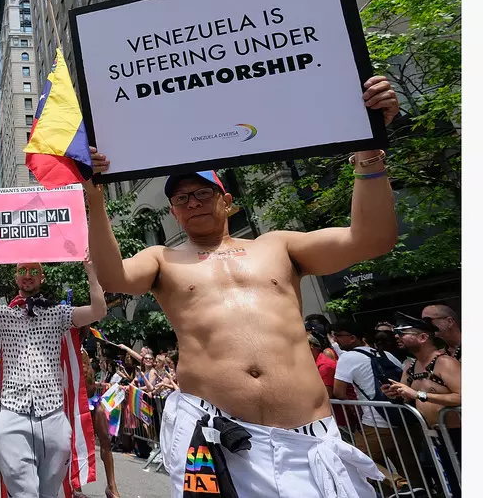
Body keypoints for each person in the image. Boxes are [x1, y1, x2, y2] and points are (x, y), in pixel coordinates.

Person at [87, 77, 399, 497]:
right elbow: (113, 278)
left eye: (201, 192)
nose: (192, 202)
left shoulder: (279, 244)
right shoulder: (162, 258)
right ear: (175, 214)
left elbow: (372, 239)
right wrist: (94, 197)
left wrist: (369, 151)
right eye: (181, 200)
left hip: (309, 443)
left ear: (227, 200)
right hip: (218, 444)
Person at [0, 255, 107, 498]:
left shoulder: (59, 313)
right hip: (13, 413)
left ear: (42, 277)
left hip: (53, 414)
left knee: (49, 494)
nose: (27, 275)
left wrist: (91, 272)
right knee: (25, 494)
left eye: (33, 271)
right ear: (15, 276)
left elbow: (98, 310)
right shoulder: (2, 315)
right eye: (22, 270)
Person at [332, 320, 426, 496]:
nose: (336, 340)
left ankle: (397, 483)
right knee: (411, 469)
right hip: (403, 419)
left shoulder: (347, 358)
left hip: (374, 424)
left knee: (358, 460)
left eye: (338, 336)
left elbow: (338, 391)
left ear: (352, 338)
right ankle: (410, 488)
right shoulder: (386, 355)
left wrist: (354, 409)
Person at [383, 314, 461, 495]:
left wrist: (419, 394)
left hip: (458, 434)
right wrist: (395, 394)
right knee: (449, 483)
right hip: (434, 435)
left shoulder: (445, 362)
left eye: (402, 332)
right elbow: (406, 397)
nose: (396, 336)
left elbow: (463, 396)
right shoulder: (410, 366)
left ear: (423, 337)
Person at [80, 342, 121, 498]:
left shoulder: (83, 350)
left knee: (105, 440)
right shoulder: (67, 347)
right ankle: (76, 486)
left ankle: (111, 486)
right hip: (77, 403)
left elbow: (88, 377)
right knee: (75, 444)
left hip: (93, 400)